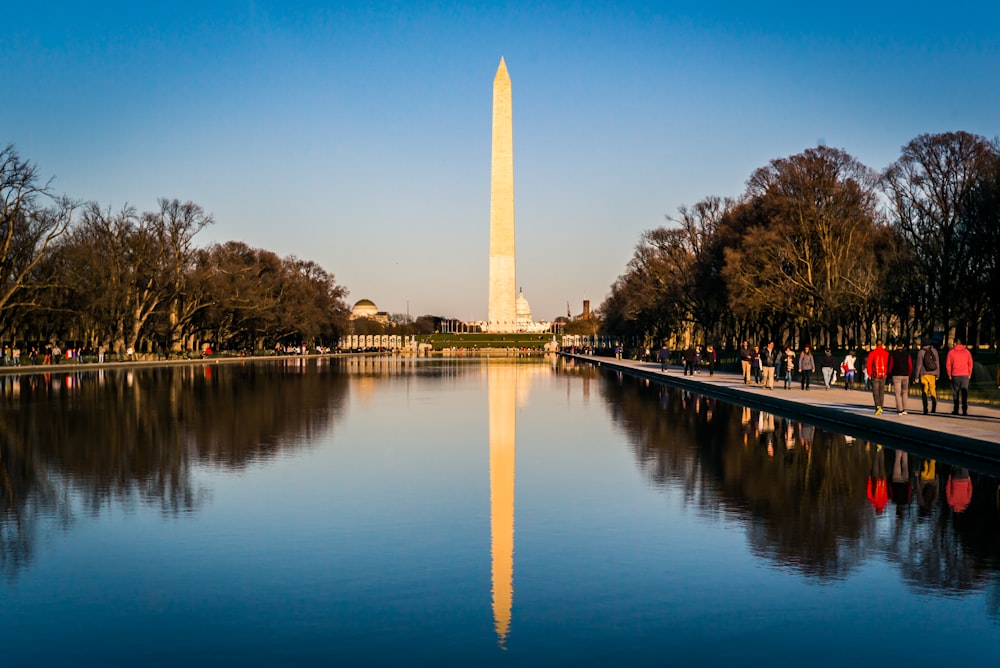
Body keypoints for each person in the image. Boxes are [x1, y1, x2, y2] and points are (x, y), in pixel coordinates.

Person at [946, 338, 973, 416]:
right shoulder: (967, 352)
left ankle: (956, 409)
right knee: (964, 393)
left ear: (955, 343)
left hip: (955, 375)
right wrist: (969, 373)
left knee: (955, 392)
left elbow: (948, 365)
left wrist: (949, 374)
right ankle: (964, 410)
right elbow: (970, 364)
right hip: (965, 375)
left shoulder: (951, 352)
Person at [914, 338, 939, 414]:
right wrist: (937, 374)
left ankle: (925, 408)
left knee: (924, 391)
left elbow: (918, 365)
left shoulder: (921, 352)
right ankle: (934, 405)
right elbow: (937, 363)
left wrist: (916, 377)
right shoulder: (934, 351)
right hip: (933, 373)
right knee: (932, 390)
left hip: (924, 374)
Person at [888, 341, 912, 415]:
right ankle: (905, 409)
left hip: (896, 375)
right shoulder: (907, 354)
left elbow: (891, 364)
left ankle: (899, 409)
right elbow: (910, 365)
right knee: (905, 392)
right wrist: (909, 374)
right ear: (903, 345)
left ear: (896, 345)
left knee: (897, 393)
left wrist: (889, 373)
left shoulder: (893, 354)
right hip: (905, 375)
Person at [866, 340, 890, 415]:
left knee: (875, 392)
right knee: (881, 392)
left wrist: (869, 374)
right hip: (883, 375)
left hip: (875, 375)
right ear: (882, 344)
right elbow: (888, 364)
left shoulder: (872, 353)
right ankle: (881, 407)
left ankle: (878, 407)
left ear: (876, 344)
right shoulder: (886, 353)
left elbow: (869, 364)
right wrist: (887, 373)